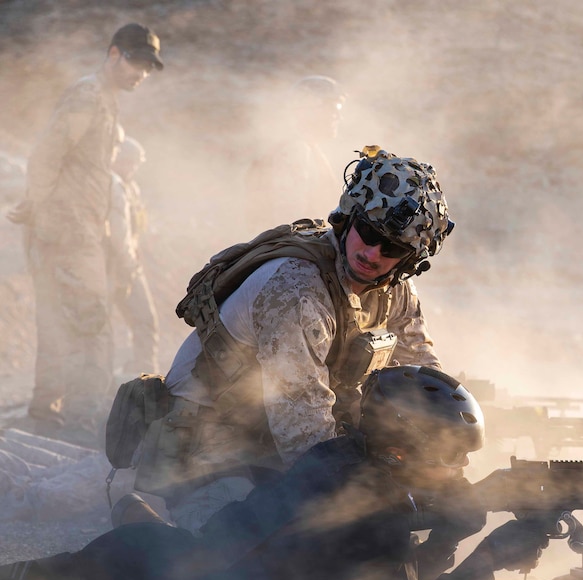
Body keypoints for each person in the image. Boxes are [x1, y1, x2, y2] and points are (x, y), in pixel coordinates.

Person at [1, 368, 548, 580]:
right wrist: (485, 558)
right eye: (450, 457)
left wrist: (443, 527)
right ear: (401, 449)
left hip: (169, 559)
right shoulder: (367, 515)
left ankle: (139, 521)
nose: (459, 471)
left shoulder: (347, 457)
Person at [132, 146, 451, 532]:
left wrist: (440, 459)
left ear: (409, 259)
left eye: (393, 249)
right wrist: (374, 493)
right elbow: (302, 430)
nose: (372, 252)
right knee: (254, 565)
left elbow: (422, 377)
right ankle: (144, 526)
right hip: (212, 457)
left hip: (273, 446)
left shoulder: (394, 287)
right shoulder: (295, 286)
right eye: (367, 231)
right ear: (349, 216)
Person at [5, 23, 164, 445]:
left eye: (147, 68)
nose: (140, 74)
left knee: (59, 321)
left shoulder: (104, 101)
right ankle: (86, 417)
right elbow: (46, 153)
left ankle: (48, 410)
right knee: (92, 323)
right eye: (135, 62)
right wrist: (41, 211)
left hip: (74, 229)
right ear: (113, 55)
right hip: (69, 232)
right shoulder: (89, 95)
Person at [243, 75, 346, 231]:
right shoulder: (295, 151)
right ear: (310, 110)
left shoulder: (306, 149)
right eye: (332, 108)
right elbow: (289, 222)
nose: (338, 116)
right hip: (295, 250)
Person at [106, 132, 160, 375]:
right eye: (128, 161)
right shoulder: (106, 185)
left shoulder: (131, 188)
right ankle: (99, 380)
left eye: (135, 162)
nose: (132, 167)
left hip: (130, 265)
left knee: (145, 321)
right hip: (108, 268)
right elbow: (116, 232)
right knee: (99, 328)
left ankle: (145, 377)